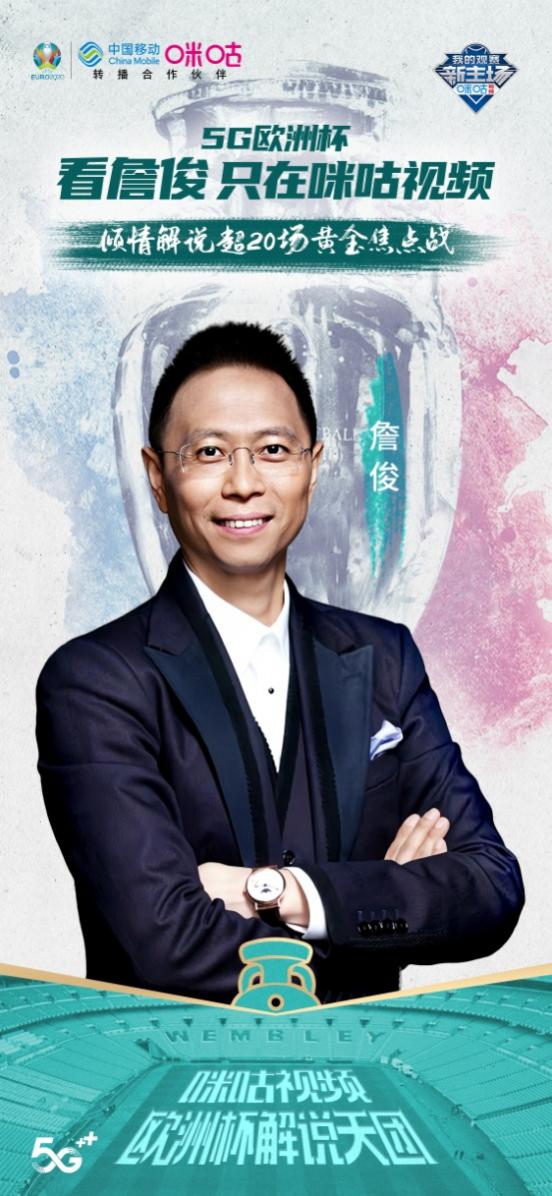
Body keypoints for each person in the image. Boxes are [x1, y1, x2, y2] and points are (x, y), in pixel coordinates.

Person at [36, 323, 524, 1004]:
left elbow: (491, 888)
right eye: (209, 452)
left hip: (366, 1065)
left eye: (272, 450)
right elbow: (164, 946)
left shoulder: (383, 658)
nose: (243, 484)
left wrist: (275, 892)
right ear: (157, 476)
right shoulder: (95, 681)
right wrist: (377, 910)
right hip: (178, 1064)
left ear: (313, 466)